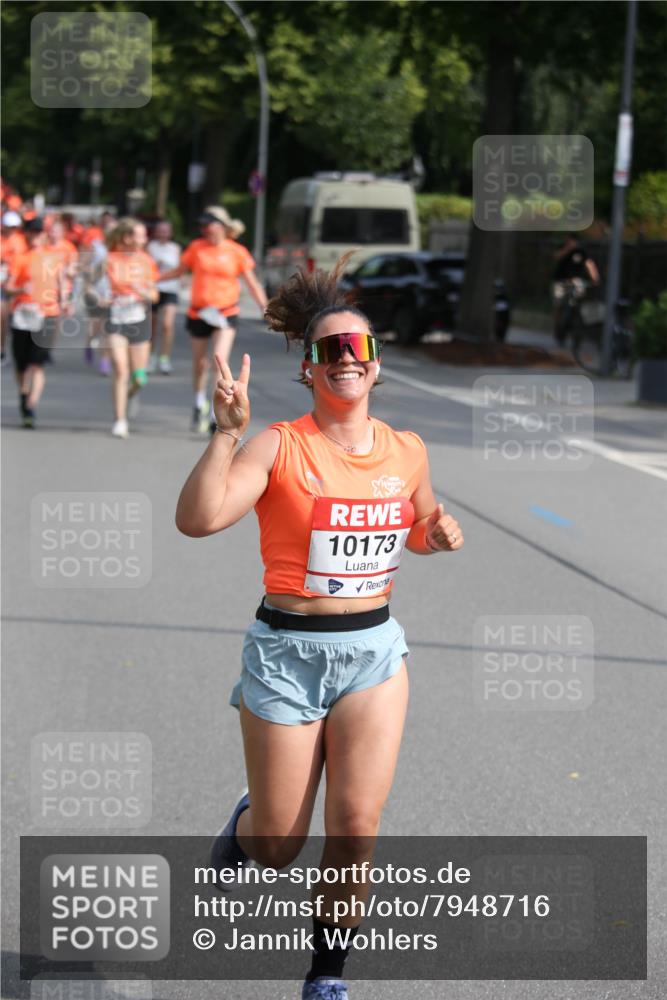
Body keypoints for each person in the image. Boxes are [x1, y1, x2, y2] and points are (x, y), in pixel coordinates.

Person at [175, 256, 464, 1000]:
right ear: (307, 369)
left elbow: (418, 524)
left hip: (372, 653)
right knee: (279, 845)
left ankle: (325, 977)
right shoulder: (279, 444)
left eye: (356, 349)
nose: (343, 359)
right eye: (328, 350)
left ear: (374, 366)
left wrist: (435, 535)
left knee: (356, 826)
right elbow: (199, 520)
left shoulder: (407, 450)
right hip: (286, 654)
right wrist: (223, 434)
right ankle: (247, 831)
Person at [159, 205, 267, 433]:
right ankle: (199, 402)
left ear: (222, 226)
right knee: (200, 364)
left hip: (226, 312)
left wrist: (264, 307)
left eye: (210, 225)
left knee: (219, 361)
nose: (206, 229)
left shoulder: (237, 251)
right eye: (204, 226)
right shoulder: (197, 248)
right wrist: (153, 278)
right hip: (199, 312)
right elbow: (179, 271)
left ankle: (212, 414)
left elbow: (252, 282)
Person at [6, 218, 72, 427]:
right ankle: (24, 398)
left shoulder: (55, 258)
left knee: (37, 362)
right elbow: (8, 287)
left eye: (39, 232)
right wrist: (19, 290)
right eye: (31, 232)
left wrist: (66, 301)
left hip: (47, 313)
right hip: (24, 313)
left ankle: (30, 403)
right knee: (21, 363)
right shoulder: (20, 258)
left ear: (45, 235)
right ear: (27, 234)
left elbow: (62, 282)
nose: (35, 236)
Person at [105, 217, 159, 438]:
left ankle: (130, 394)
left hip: (138, 320)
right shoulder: (109, 260)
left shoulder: (146, 261)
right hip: (116, 319)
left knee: (139, 377)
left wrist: (142, 291)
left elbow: (154, 296)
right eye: (140, 234)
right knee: (120, 369)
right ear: (127, 237)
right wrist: (101, 297)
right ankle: (120, 419)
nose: (144, 238)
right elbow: (93, 287)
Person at [552, 233, 600, 343]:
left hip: (576, 281)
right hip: (561, 281)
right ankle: (557, 329)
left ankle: (577, 324)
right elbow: (556, 257)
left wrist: (595, 279)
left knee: (580, 301)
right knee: (558, 305)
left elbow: (589, 264)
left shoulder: (581, 252)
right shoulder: (563, 247)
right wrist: (567, 249)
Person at [147, 219, 181, 374]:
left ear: (170, 233)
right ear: (156, 232)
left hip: (171, 289)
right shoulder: (150, 247)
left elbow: (181, 267)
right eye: (160, 231)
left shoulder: (175, 248)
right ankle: (151, 356)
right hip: (154, 288)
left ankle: (164, 358)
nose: (163, 234)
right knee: (153, 326)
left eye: (166, 231)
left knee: (167, 325)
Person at [1, 210, 28, 365]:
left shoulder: (21, 241)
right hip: (3, 284)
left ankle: (20, 349)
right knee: (2, 317)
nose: (11, 229)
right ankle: (2, 350)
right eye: (8, 226)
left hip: (19, 284)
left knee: (15, 319)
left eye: (14, 227)